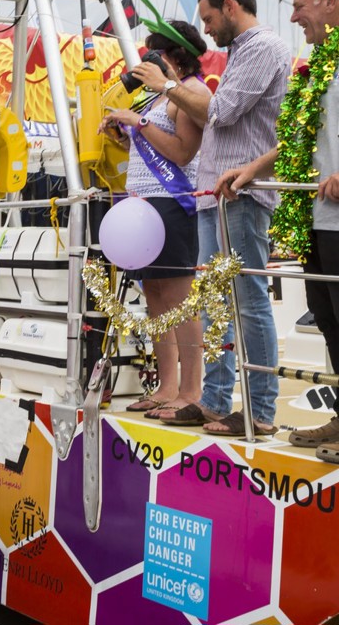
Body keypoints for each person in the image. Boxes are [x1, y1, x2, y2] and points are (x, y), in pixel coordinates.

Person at [133, 0, 290, 435]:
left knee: (248, 301)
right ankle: (215, 400)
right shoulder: (243, 50)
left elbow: (221, 112)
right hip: (216, 196)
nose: (207, 30)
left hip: (242, 193)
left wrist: (167, 85)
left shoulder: (263, 47)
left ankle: (260, 411)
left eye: (209, 19)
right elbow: (218, 114)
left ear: (231, 6)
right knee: (214, 302)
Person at [217, 0, 339, 458]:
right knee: (329, 321)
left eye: (300, 6)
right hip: (317, 218)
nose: (293, 17)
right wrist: (253, 168)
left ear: (330, 1)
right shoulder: (319, 64)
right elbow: (298, 141)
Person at [99, 21, 210, 417]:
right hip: (142, 205)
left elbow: (182, 153)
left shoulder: (192, 92)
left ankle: (191, 390)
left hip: (173, 203)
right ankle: (167, 386)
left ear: (172, 56)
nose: (146, 61)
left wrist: (139, 123)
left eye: (153, 54)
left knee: (180, 301)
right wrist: (124, 132)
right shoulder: (158, 96)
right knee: (156, 298)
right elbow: (151, 140)